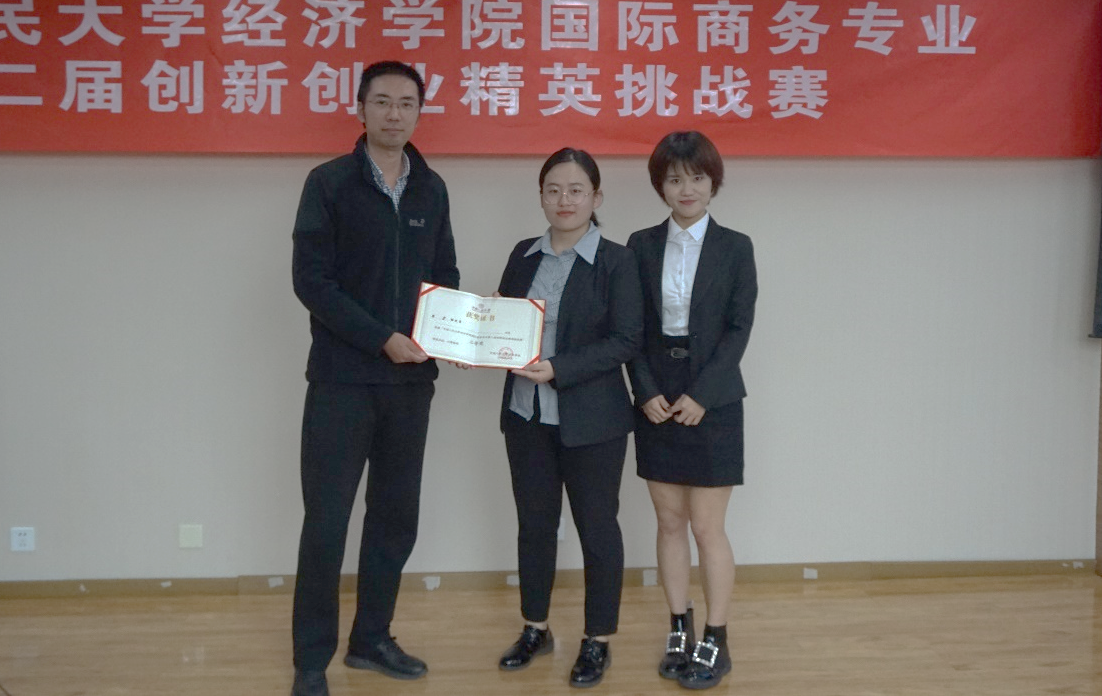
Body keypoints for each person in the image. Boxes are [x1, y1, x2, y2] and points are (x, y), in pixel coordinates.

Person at [289, 61, 459, 696]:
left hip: (410, 386)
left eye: (406, 102)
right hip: (341, 381)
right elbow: (312, 282)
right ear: (359, 110)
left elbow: (443, 276)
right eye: (382, 101)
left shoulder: (432, 189)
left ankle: (371, 640)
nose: (394, 113)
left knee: (394, 519)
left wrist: (457, 333)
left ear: (419, 112)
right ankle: (312, 660)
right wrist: (380, 338)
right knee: (327, 522)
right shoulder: (329, 183)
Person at [493, 148, 643, 689]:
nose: (564, 200)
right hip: (526, 415)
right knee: (534, 526)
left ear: (596, 198)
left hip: (593, 422)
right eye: (553, 189)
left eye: (576, 190)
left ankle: (597, 638)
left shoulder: (618, 261)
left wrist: (558, 368)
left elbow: (626, 340)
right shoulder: (523, 254)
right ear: (541, 196)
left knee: (597, 530)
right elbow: (505, 321)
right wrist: (476, 338)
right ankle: (535, 628)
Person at [627, 131, 757, 690]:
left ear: (713, 182)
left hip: (714, 396)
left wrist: (703, 394)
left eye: (697, 177)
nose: (687, 188)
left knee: (707, 526)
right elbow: (630, 328)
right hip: (656, 394)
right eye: (675, 178)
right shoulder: (639, 245)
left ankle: (716, 636)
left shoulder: (736, 246)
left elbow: (738, 328)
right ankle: (678, 627)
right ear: (660, 185)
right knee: (668, 521)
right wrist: (645, 389)